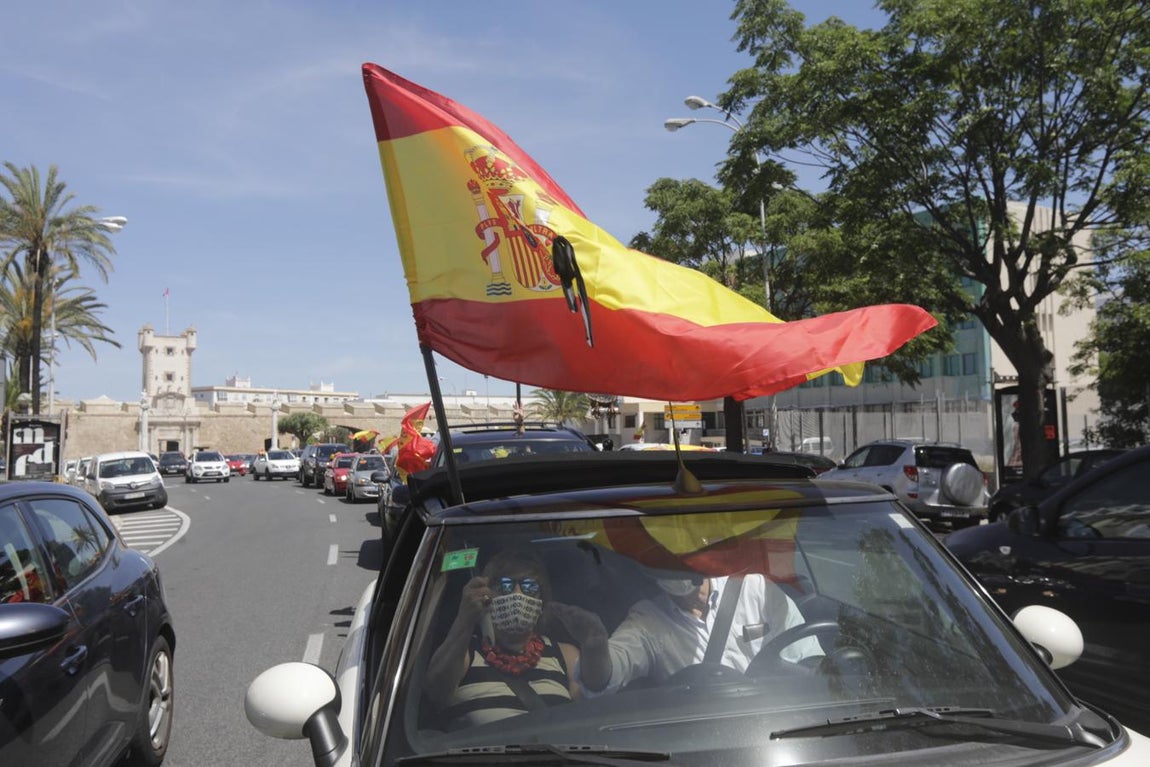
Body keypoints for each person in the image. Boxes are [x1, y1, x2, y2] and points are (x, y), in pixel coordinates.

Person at [424, 548, 610, 728]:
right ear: (486, 594)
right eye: (505, 586)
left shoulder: (566, 655)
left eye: (529, 587)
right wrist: (464, 619)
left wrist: (595, 648)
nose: (517, 595)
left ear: (542, 600)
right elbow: (435, 692)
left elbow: (588, 711)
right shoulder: (465, 653)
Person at [583, 571, 822, 693]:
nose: (672, 566)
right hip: (702, 737)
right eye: (661, 559)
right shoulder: (647, 620)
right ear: (647, 570)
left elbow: (808, 659)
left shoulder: (755, 587)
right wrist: (595, 650)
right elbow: (611, 670)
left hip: (779, 727)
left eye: (677, 556)